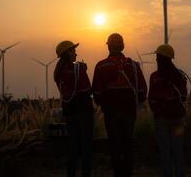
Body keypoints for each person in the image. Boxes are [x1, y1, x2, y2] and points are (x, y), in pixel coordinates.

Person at [92, 33, 147, 177]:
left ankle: (118, 173)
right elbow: (142, 91)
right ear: (122, 46)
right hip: (129, 112)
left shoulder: (101, 66)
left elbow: (97, 93)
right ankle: (128, 173)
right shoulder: (133, 66)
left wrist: (104, 104)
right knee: (128, 144)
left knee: (115, 146)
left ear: (108, 47)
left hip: (111, 114)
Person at [54, 40, 94, 177]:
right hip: (84, 112)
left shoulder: (57, 72)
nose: (76, 53)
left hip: (69, 112)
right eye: (73, 50)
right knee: (86, 146)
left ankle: (70, 174)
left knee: (72, 145)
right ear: (67, 53)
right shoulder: (78, 68)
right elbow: (87, 90)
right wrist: (83, 69)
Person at [148, 44, 188, 177]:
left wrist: (158, 110)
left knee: (165, 153)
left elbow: (152, 100)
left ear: (161, 58)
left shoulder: (154, 77)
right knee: (178, 152)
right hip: (178, 119)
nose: (155, 59)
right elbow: (183, 97)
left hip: (161, 120)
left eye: (157, 56)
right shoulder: (180, 76)